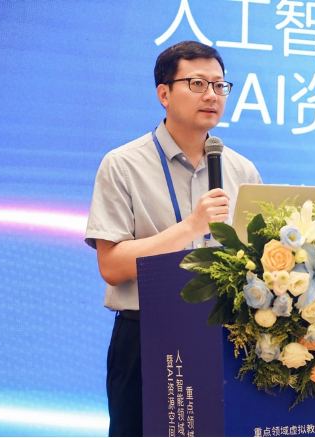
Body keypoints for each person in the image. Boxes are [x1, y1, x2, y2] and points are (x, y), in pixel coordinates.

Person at [84, 40, 262, 437]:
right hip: (148, 338)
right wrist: (191, 227)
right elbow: (112, 266)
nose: (212, 95)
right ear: (163, 94)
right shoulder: (123, 164)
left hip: (226, 338)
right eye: (197, 84)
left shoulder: (242, 170)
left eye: (219, 85)